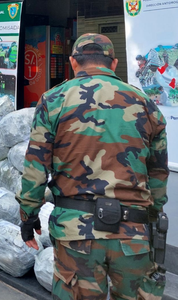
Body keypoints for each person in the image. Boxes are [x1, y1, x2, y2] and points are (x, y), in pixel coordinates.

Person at [17, 33, 169, 300]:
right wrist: (151, 217)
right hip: (133, 234)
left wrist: (28, 216)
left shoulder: (53, 100)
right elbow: (157, 173)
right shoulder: (146, 103)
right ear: (114, 64)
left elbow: (36, 167)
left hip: (76, 234)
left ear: (74, 63)